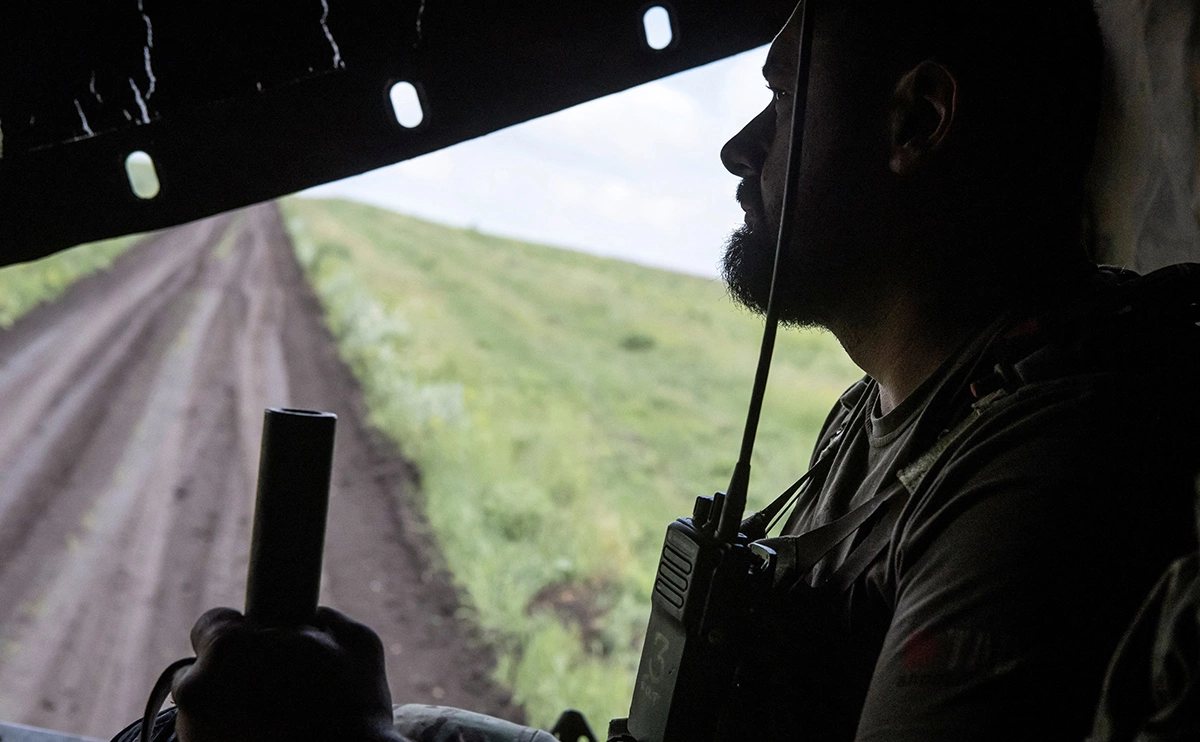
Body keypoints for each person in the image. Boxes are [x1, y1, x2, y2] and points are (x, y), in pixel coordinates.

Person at [112, 0, 1200, 740]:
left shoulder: (1047, 455)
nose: (741, 146)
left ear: (916, 121)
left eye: (784, 95)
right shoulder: (869, 419)